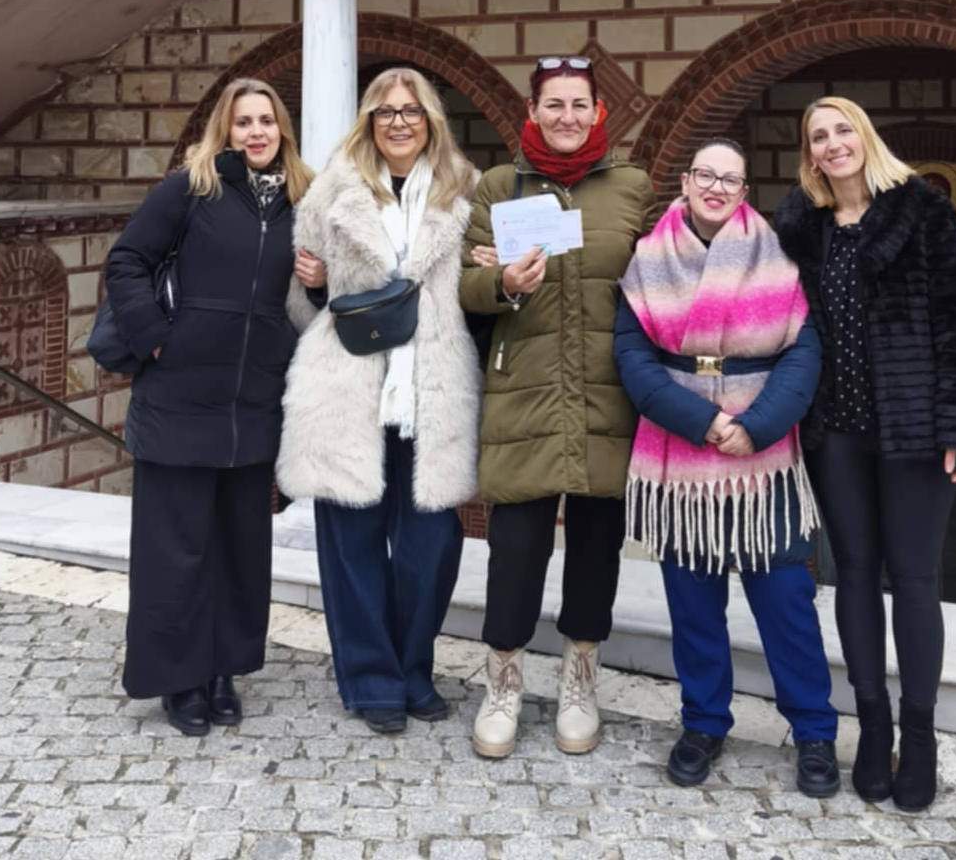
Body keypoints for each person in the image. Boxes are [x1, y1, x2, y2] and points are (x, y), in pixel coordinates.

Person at [773, 96, 956, 811]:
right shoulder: (800, 227)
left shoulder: (922, 211)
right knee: (856, 575)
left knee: (916, 578)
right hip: (834, 433)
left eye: (843, 130)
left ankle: (919, 736)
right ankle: (873, 729)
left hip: (915, 429)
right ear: (809, 155)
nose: (833, 144)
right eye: (818, 136)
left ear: (865, 137)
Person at [614, 138, 840, 795]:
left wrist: (758, 425)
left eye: (730, 179)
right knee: (693, 609)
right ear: (686, 182)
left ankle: (815, 732)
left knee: (786, 604)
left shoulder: (775, 254)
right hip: (680, 456)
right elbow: (633, 356)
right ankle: (703, 723)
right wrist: (700, 420)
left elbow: (804, 350)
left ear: (744, 192)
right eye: (705, 175)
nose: (716, 187)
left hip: (763, 461)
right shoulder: (648, 258)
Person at [461, 55, 663, 758]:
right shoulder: (499, 186)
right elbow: (463, 287)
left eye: (580, 105)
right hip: (525, 390)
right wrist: (502, 283)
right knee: (515, 546)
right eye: (554, 104)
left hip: (609, 390)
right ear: (533, 112)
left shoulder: (633, 187)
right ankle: (503, 683)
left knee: (597, 546)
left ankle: (581, 679)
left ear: (598, 113)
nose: (567, 117)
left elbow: (662, 273)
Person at [105, 77, 313, 736]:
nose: (256, 132)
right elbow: (127, 261)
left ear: (282, 130)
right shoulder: (189, 190)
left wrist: (320, 287)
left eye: (267, 121)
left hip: (253, 400)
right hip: (180, 397)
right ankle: (179, 678)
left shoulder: (302, 202)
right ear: (225, 130)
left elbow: (312, 296)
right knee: (175, 551)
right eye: (244, 122)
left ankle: (223, 670)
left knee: (238, 548)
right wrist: (156, 337)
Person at [277, 67, 481, 735]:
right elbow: (299, 302)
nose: (399, 122)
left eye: (411, 111)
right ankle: (371, 680)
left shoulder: (465, 191)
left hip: (433, 388)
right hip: (349, 386)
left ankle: (413, 667)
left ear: (430, 120)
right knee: (352, 543)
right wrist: (314, 286)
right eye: (386, 111)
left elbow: (478, 296)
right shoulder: (331, 193)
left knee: (432, 543)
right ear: (368, 121)